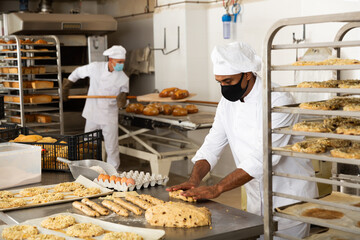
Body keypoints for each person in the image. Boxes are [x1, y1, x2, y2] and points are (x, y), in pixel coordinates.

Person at [166, 42, 318, 239]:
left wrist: (217, 188)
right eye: (219, 82)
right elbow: (213, 144)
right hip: (256, 200)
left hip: (289, 198)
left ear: (247, 74)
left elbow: (261, 158)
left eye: (228, 81)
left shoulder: (279, 100)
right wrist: (194, 179)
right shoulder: (227, 103)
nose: (224, 88)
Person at [63, 45, 129, 169]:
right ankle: (88, 168)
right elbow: (78, 72)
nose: (121, 65)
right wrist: (67, 85)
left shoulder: (123, 78)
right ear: (110, 60)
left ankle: (112, 171)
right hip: (93, 113)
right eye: (119, 62)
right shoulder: (95, 67)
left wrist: (123, 101)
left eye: (123, 62)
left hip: (109, 115)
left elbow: (124, 101)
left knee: (112, 147)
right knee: (88, 144)